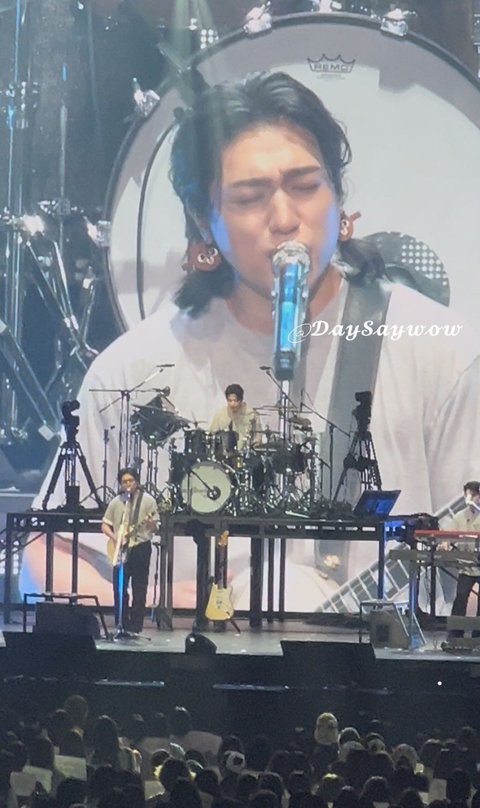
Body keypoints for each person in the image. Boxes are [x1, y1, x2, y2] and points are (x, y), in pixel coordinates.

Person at [21, 71, 480, 613]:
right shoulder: (135, 367)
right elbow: (44, 554)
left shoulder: (440, 353)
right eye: (249, 197)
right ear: (203, 221)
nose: (285, 219)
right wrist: (154, 600)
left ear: (339, 196)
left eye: (306, 187)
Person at [101, 467, 159, 634]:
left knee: (139, 587)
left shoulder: (148, 501)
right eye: (124, 482)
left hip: (140, 547)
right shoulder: (116, 502)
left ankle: (135, 627)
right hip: (120, 547)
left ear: (137, 482)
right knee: (119, 587)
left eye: (130, 481)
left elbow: (155, 527)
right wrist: (114, 537)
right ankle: (121, 624)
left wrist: (151, 523)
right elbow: (105, 525)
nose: (128, 484)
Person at [448, 481, 480, 621]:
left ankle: (477, 632)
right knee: (461, 596)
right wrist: (445, 543)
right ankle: (456, 630)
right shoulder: (459, 516)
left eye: (473, 495)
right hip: (466, 566)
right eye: (467, 495)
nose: (469, 499)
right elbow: (448, 535)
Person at [209, 383, 262, 451]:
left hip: (245, 453)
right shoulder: (220, 414)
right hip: (224, 453)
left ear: (241, 400)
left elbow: (258, 438)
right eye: (230, 401)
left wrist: (255, 444)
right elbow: (211, 434)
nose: (232, 404)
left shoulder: (252, 414)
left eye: (235, 401)